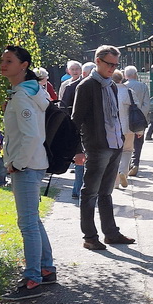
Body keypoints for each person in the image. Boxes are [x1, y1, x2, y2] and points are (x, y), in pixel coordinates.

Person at [0, 46, 55, 299]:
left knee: (27, 223)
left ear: (24, 65)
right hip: (34, 163)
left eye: (9, 60)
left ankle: (32, 279)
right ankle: (45, 269)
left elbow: (31, 135)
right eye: (2, 59)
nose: (3, 64)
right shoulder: (30, 92)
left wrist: (17, 163)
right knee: (33, 220)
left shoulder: (22, 96)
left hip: (27, 165)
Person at [71, 45, 135, 250]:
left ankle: (111, 234)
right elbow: (76, 120)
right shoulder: (87, 86)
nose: (113, 68)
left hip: (115, 144)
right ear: (98, 61)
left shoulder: (112, 85)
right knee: (89, 193)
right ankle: (90, 237)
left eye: (116, 65)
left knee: (106, 193)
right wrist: (78, 150)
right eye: (109, 64)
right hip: (97, 146)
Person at [63, 61, 95, 200]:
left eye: (78, 69)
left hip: (81, 127)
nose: (75, 71)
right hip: (80, 128)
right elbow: (64, 107)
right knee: (81, 159)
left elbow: (63, 108)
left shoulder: (73, 87)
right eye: (73, 69)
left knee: (81, 159)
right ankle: (79, 189)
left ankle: (78, 190)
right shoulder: (70, 86)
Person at [122, 65, 150, 174]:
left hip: (126, 121)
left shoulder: (123, 87)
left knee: (127, 145)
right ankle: (135, 164)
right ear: (135, 74)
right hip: (139, 121)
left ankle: (127, 164)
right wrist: (141, 116)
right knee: (138, 143)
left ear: (125, 75)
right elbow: (146, 104)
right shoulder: (143, 86)